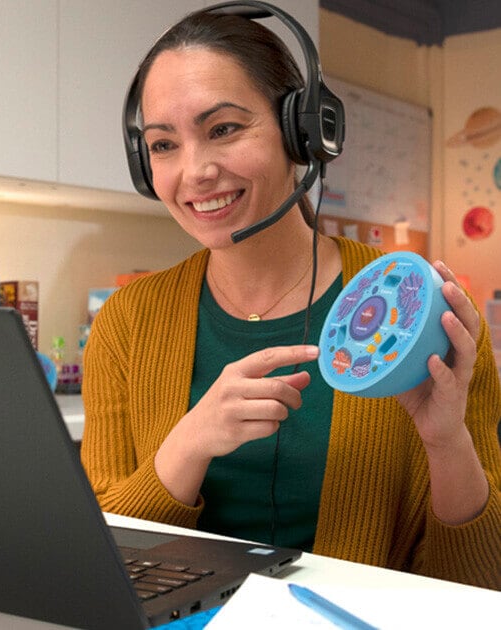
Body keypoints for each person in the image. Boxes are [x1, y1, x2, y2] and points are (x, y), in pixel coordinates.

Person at [80, 8, 501, 590]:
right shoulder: (127, 322)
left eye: (224, 129)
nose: (195, 171)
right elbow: (96, 565)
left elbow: (479, 586)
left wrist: (446, 442)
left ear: (303, 130)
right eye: (162, 144)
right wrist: (189, 445)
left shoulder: (422, 313)